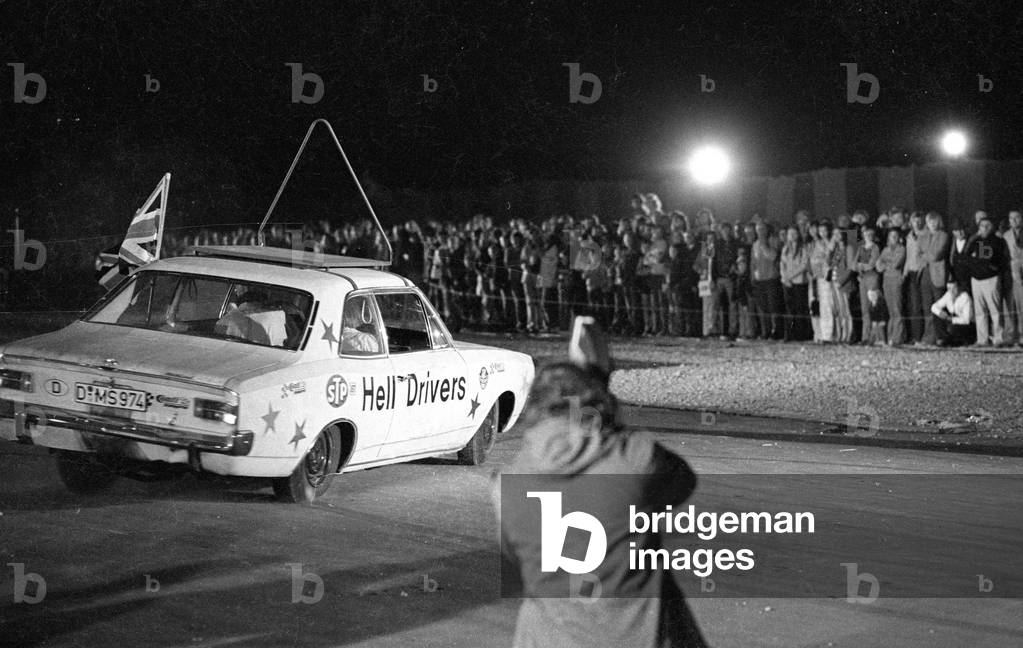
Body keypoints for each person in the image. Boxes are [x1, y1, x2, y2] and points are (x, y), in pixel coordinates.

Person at [497, 320, 707, 648]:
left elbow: (516, 554)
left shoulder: (504, 485)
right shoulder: (634, 458)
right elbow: (683, 482)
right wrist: (601, 396)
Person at [966, 215, 1008, 346]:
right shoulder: (975, 240)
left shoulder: (997, 241)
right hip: (976, 279)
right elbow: (967, 255)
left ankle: (999, 338)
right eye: (981, 226)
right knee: (980, 311)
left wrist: (990, 267)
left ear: (992, 227)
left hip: (990, 278)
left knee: (995, 310)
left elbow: (999, 259)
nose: (983, 229)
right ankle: (982, 339)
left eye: (986, 226)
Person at [917, 212, 949, 346]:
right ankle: (929, 336)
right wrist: (927, 254)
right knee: (926, 305)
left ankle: (941, 336)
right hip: (925, 272)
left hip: (937, 274)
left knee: (938, 305)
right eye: (930, 221)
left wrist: (926, 254)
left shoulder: (943, 235)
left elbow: (936, 255)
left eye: (935, 221)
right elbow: (918, 254)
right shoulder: (923, 236)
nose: (932, 224)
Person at [779, 225, 811, 341]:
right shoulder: (785, 248)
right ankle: (789, 334)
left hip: (799, 282)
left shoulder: (803, 247)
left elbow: (804, 265)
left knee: (799, 308)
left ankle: (800, 334)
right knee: (789, 309)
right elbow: (782, 263)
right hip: (787, 283)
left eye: (794, 233)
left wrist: (790, 276)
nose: (792, 236)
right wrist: (784, 277)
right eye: (790, 234)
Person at [875, 228, 906, 346]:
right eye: (891, 235)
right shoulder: (885, 250)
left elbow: (896, 263)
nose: (893, 237)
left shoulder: (901, 249)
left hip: (896, 279)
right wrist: (887, 264)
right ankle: (890, 336)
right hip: (886, 280)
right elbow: (878, 266)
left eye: (895, 235)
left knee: (897, 308)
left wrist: (885, 263)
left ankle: (897, 337)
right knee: (890, 309)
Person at [931, 281, 975, 347]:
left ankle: (959, 341)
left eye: (954, 288)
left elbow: (966, 320)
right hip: (953, 320)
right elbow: (934, 307)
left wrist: (951, 319)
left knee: (952, 328)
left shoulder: (965, 297)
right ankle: (942, 340)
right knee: (937, 315)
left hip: (967, 325)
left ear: (959, 288)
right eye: (949, 288)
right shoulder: (948, 295)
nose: (951, 291)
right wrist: (940, 313)